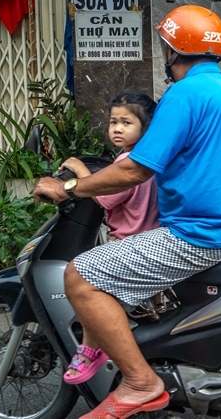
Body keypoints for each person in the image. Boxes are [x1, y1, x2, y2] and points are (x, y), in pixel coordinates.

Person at [35, 5, 221, 419]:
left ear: (173, 49)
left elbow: (134, 168)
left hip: (201, 234)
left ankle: (141, 383)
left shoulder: (184, 95)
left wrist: (70, 186)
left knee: (81, 275)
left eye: (165, 45)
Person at [57, 91, 159, 385]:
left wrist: (78, 171)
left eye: (126, 122)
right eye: (113, 121)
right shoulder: (146, 157)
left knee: (91, 288)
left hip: (129, 240)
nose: (117, 128)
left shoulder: (129, 161)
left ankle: (90, 350)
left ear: (145, 127)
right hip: (150, 235)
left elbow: (105, 198)